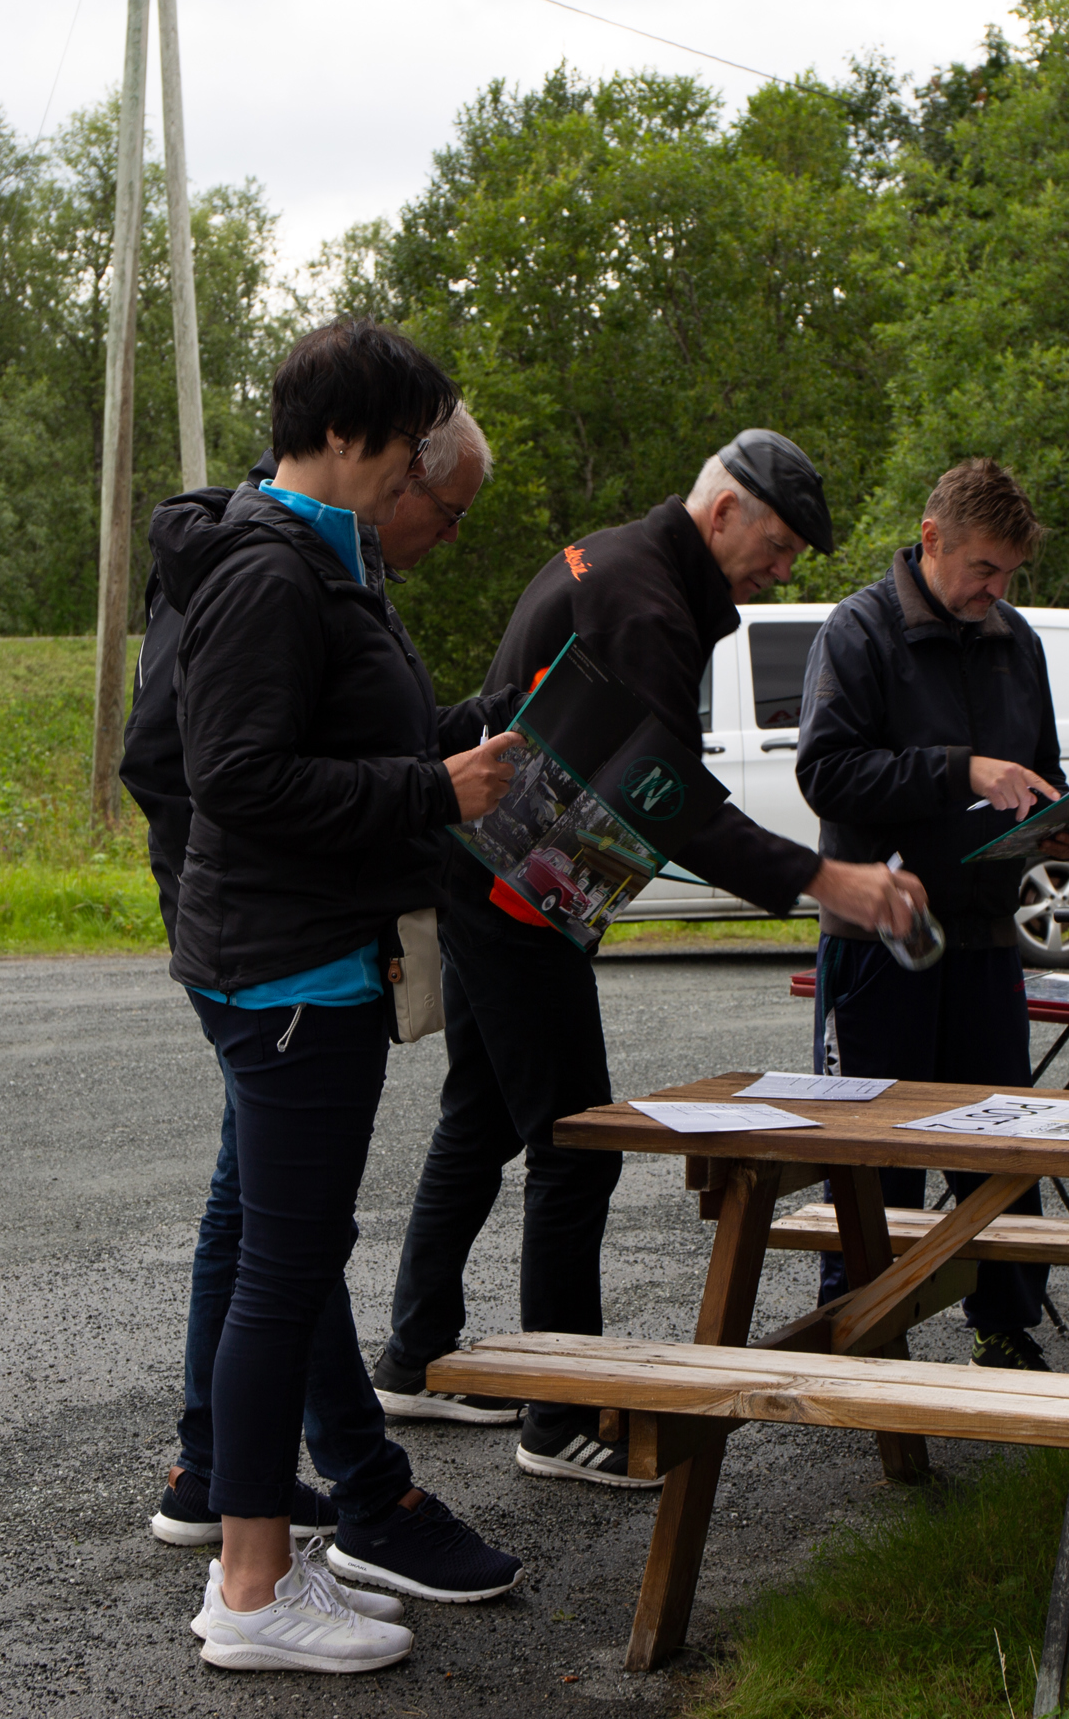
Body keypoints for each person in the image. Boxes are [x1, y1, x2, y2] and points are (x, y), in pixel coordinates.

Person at [372, 430, 932, 1486]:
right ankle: (562, 1415)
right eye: (778, 546)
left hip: (490, 873)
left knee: (482, 1118)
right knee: (577, 1144)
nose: (783, 571)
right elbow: (667, 797)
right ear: (723, 514)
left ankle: (415, 1354)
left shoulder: (626, 561)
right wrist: (826, 878)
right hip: (515, 892)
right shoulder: (645, 603)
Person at [150, 319, 532, 1674]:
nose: (419, 470)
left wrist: (461, 743)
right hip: (292, 968)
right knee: (284, 1278)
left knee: (282, 1265)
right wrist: (433, 789)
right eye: (412, 443)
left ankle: (259, 1564)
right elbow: (237, 778)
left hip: (302, 956)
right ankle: (250, 1594)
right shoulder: (273, 568)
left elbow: (327, 738)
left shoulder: (322, 558)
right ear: (350, 434)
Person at [792, 458, 1069, 1371]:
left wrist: (1058, 821)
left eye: (1010, 574)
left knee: (1000, 1143)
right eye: (984, 569)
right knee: (875, 1149)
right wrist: (959, 768)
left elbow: (1040, 768)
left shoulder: (1016, 640)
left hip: (987, 934)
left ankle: (1004, 1326)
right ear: (931, 540)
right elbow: (826, 775)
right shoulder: (857, 631)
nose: (997, 590)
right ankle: (858, 1334)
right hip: (881, 939)